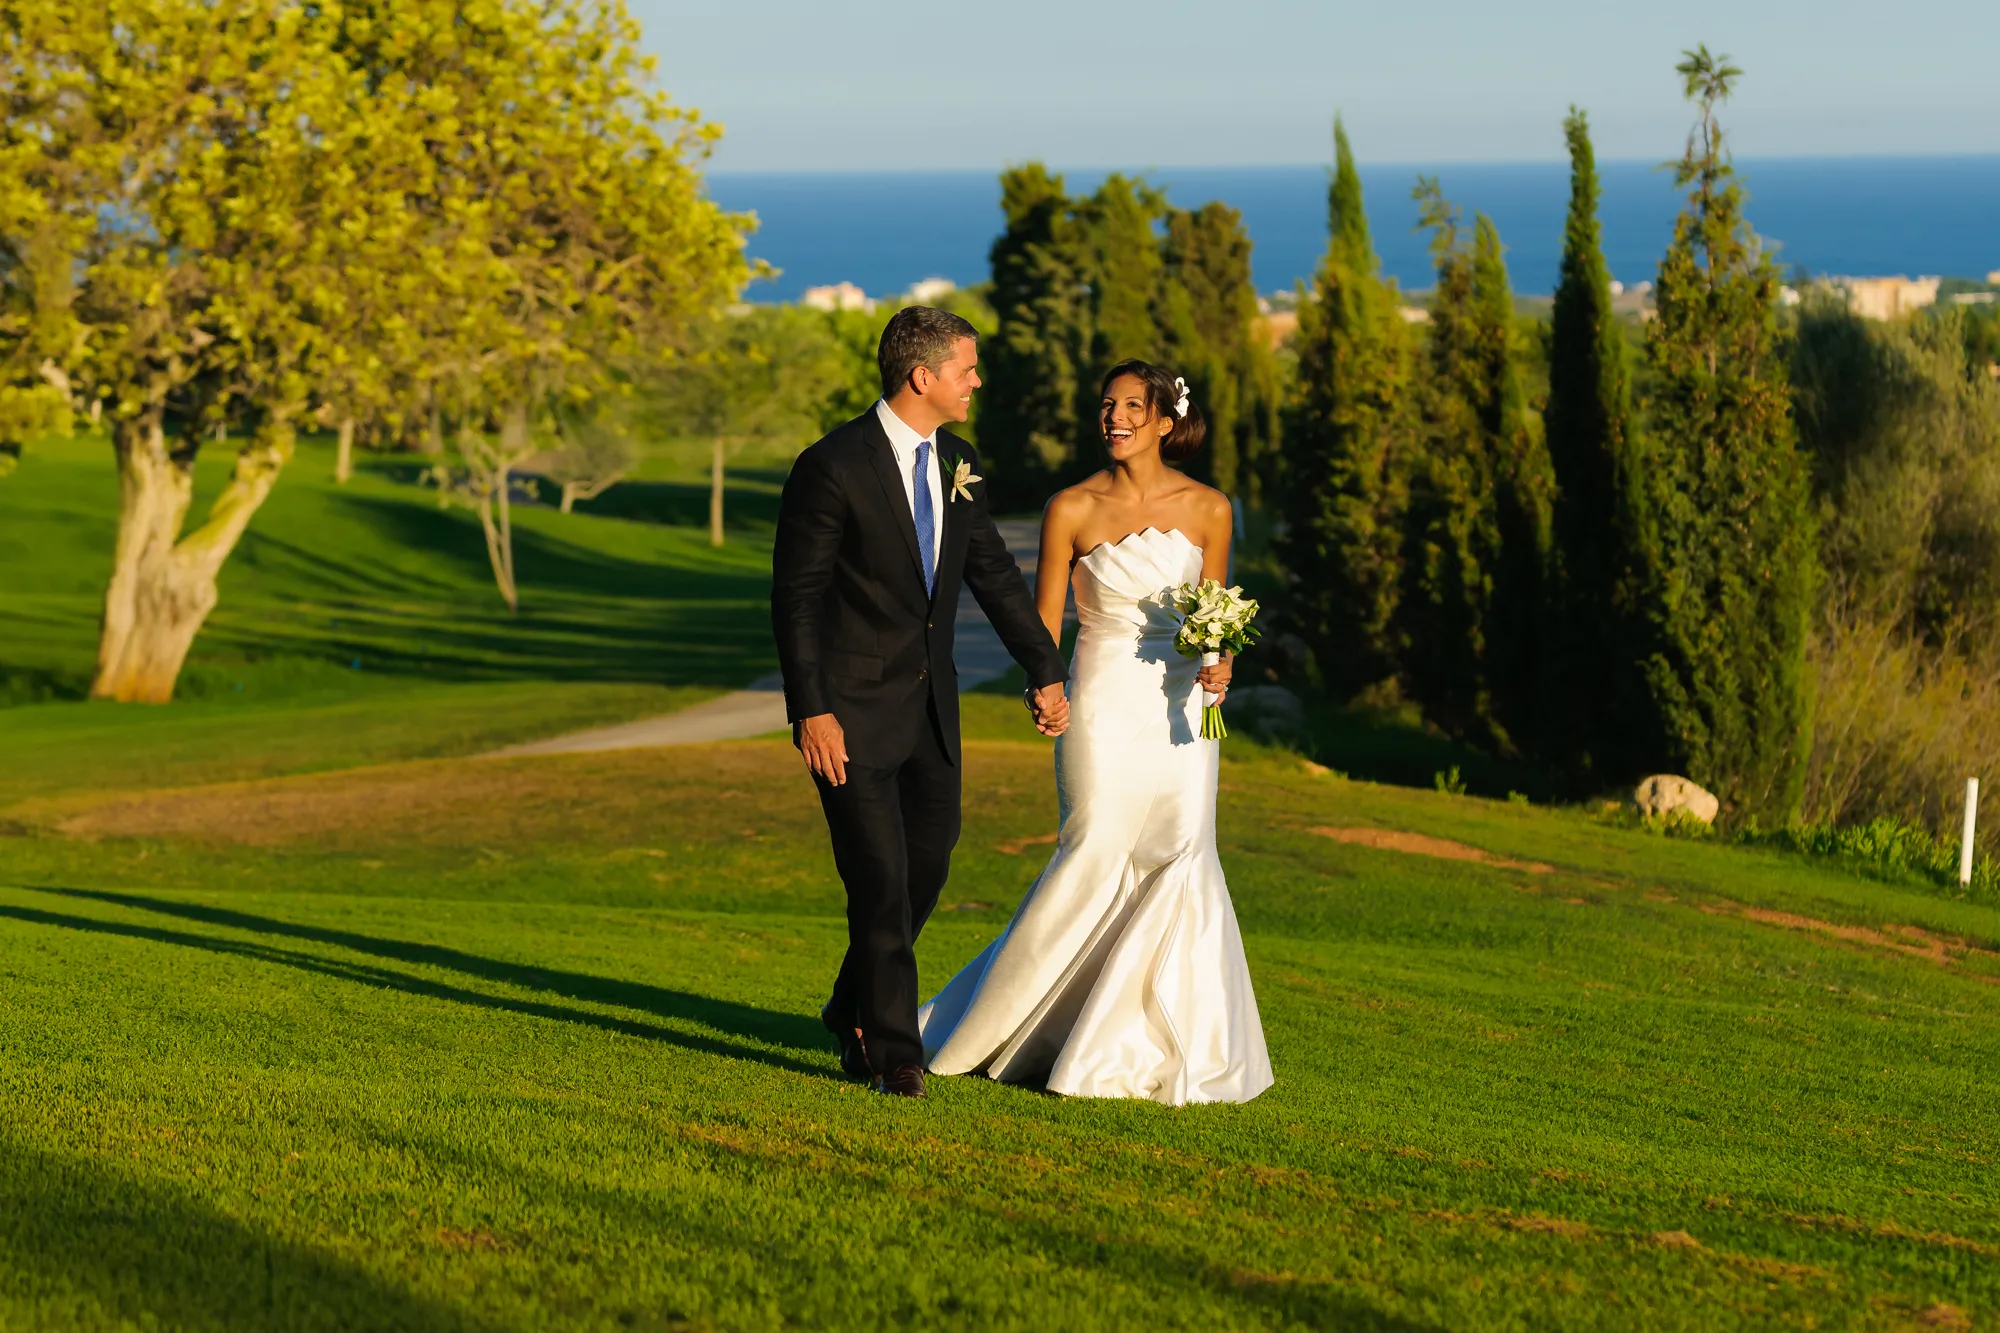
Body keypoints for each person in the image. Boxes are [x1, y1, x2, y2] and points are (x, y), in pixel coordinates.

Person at [918, 359, 1273, 1105]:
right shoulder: (1070, 507)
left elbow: (1218, 614)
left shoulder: (1210, 508)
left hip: (1183, 715)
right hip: (1102, 700)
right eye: (1107, 406)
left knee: (1180, 854)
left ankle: (1146, 1048)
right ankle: (994, 1028)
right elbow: (1043, 620)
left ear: (1165, 422)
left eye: (1131, 408)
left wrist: (1222, 665)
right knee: (1094, 849)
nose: (1114, 418)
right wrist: (1041, 685)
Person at [770, 306, 1070, 1099]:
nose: (977, 381)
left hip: (934, 715)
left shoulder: (957, 462)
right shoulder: (830, 467)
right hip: (849, 716)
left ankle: (850, 1003)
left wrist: (1043, 667)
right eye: (967, 368)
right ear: (922, 376)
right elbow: (795, 599)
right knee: (878, 877)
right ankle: (892, 1051)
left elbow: (995, 577)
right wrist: (811, 708)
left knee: (924, 868)